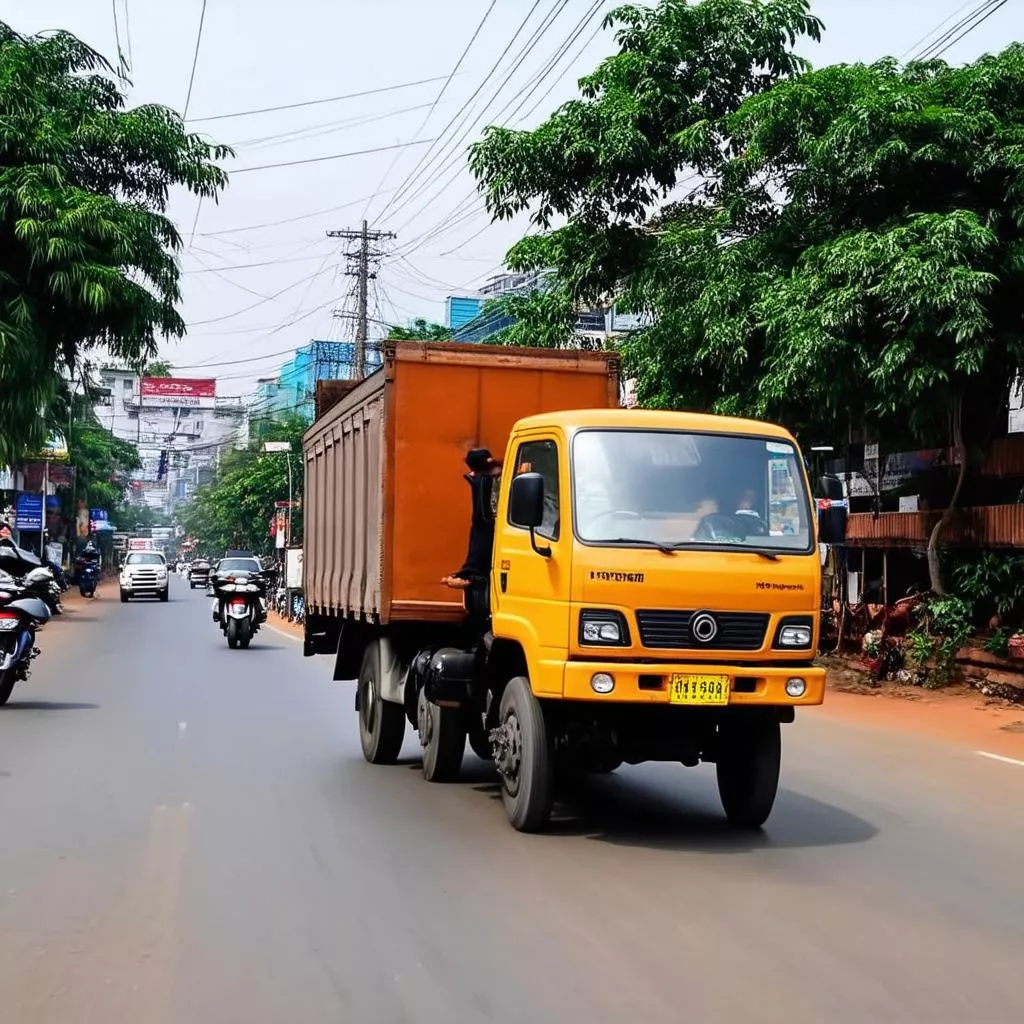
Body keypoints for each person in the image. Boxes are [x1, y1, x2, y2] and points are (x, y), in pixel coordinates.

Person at [441, 448, 502, 620]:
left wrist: (468, 573)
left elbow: (481, 534)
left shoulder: (481, 481)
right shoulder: (487, 481)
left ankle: (471, 573)